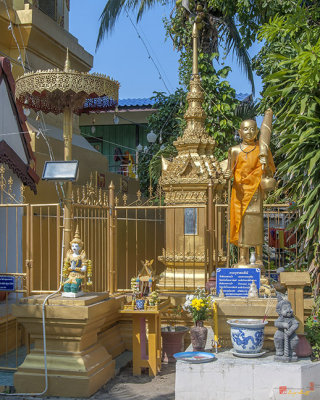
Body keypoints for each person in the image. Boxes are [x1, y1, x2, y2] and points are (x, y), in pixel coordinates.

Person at [226, 112, 276, 267]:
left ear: (258, 131)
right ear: (240, 132)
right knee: (241, 224)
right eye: (246, 129)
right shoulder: (234, 150)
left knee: (256, 223)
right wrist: (227, 175)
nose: (249, 132)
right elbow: (229, 171)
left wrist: (265, 163)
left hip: (256, 191)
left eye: (253, 129)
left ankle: (259, 257)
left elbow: (269, 173)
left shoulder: (262, 149)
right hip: (240, 193)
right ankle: (242, 257)